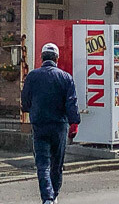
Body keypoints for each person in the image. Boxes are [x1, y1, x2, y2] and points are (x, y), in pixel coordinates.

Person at [21, 43, 80, 204]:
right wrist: (74, 123)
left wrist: (31, 110)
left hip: (39, 124)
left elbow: (25, 101)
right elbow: (71, 103)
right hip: (59, 125)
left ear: (41, 57)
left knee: (42, 164)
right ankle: (54, 196)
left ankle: (47, 198)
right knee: (57, 164)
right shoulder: (66, 77)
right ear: (57, 58)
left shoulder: (32, 77)